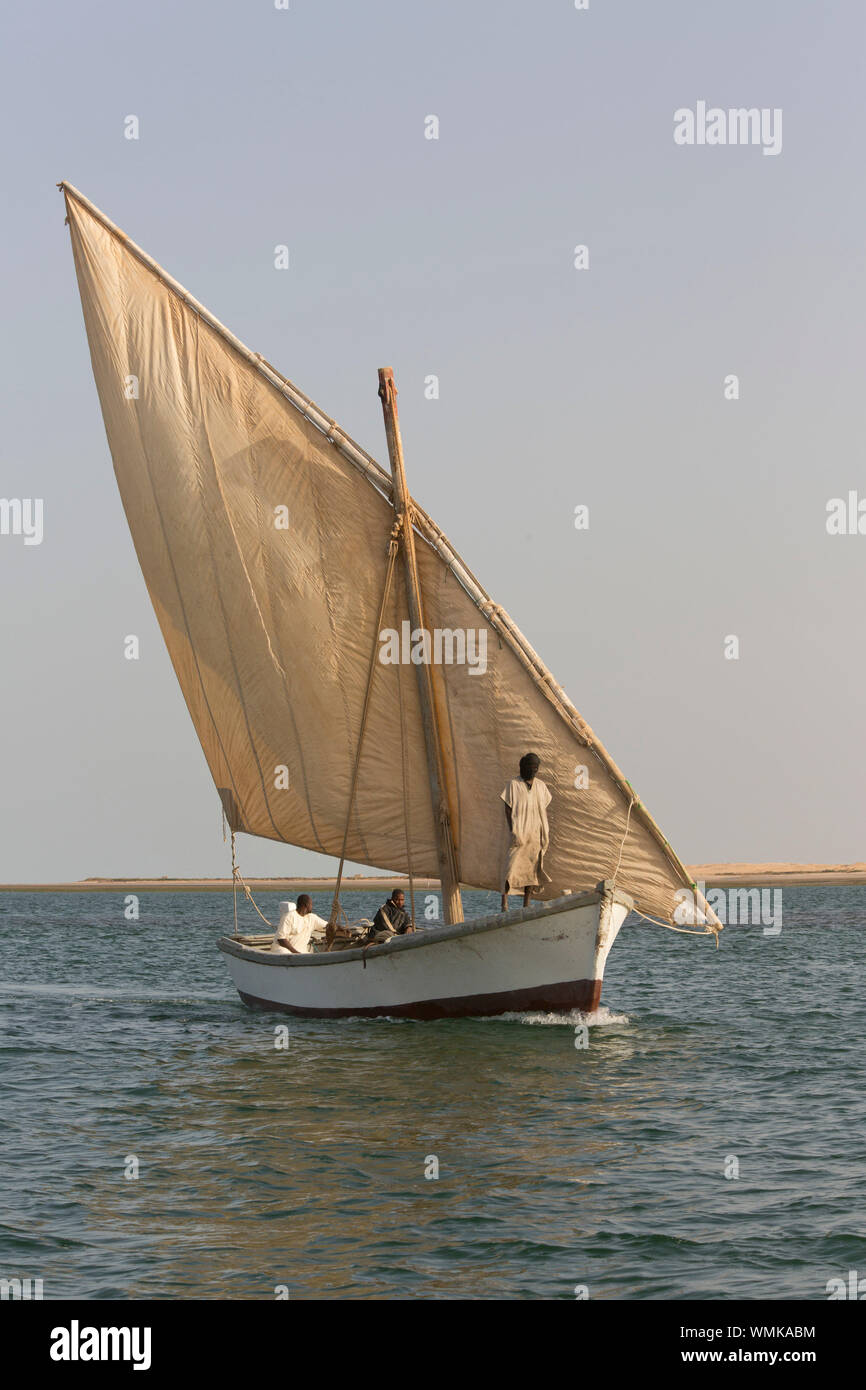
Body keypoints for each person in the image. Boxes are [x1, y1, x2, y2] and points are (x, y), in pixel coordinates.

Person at [500, 753, 552, 911]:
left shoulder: (541, 786)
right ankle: (504, 903)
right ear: (523, 767)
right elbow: (508, 809)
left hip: (536, 835)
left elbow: (544, 806)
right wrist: (513, 830)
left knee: (532, 872)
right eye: (530, 766)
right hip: (519, 834)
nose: (533, 769)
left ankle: (526, 905)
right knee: (510, 868)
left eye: (536, 767)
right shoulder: (513, 784)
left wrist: (543, 832)